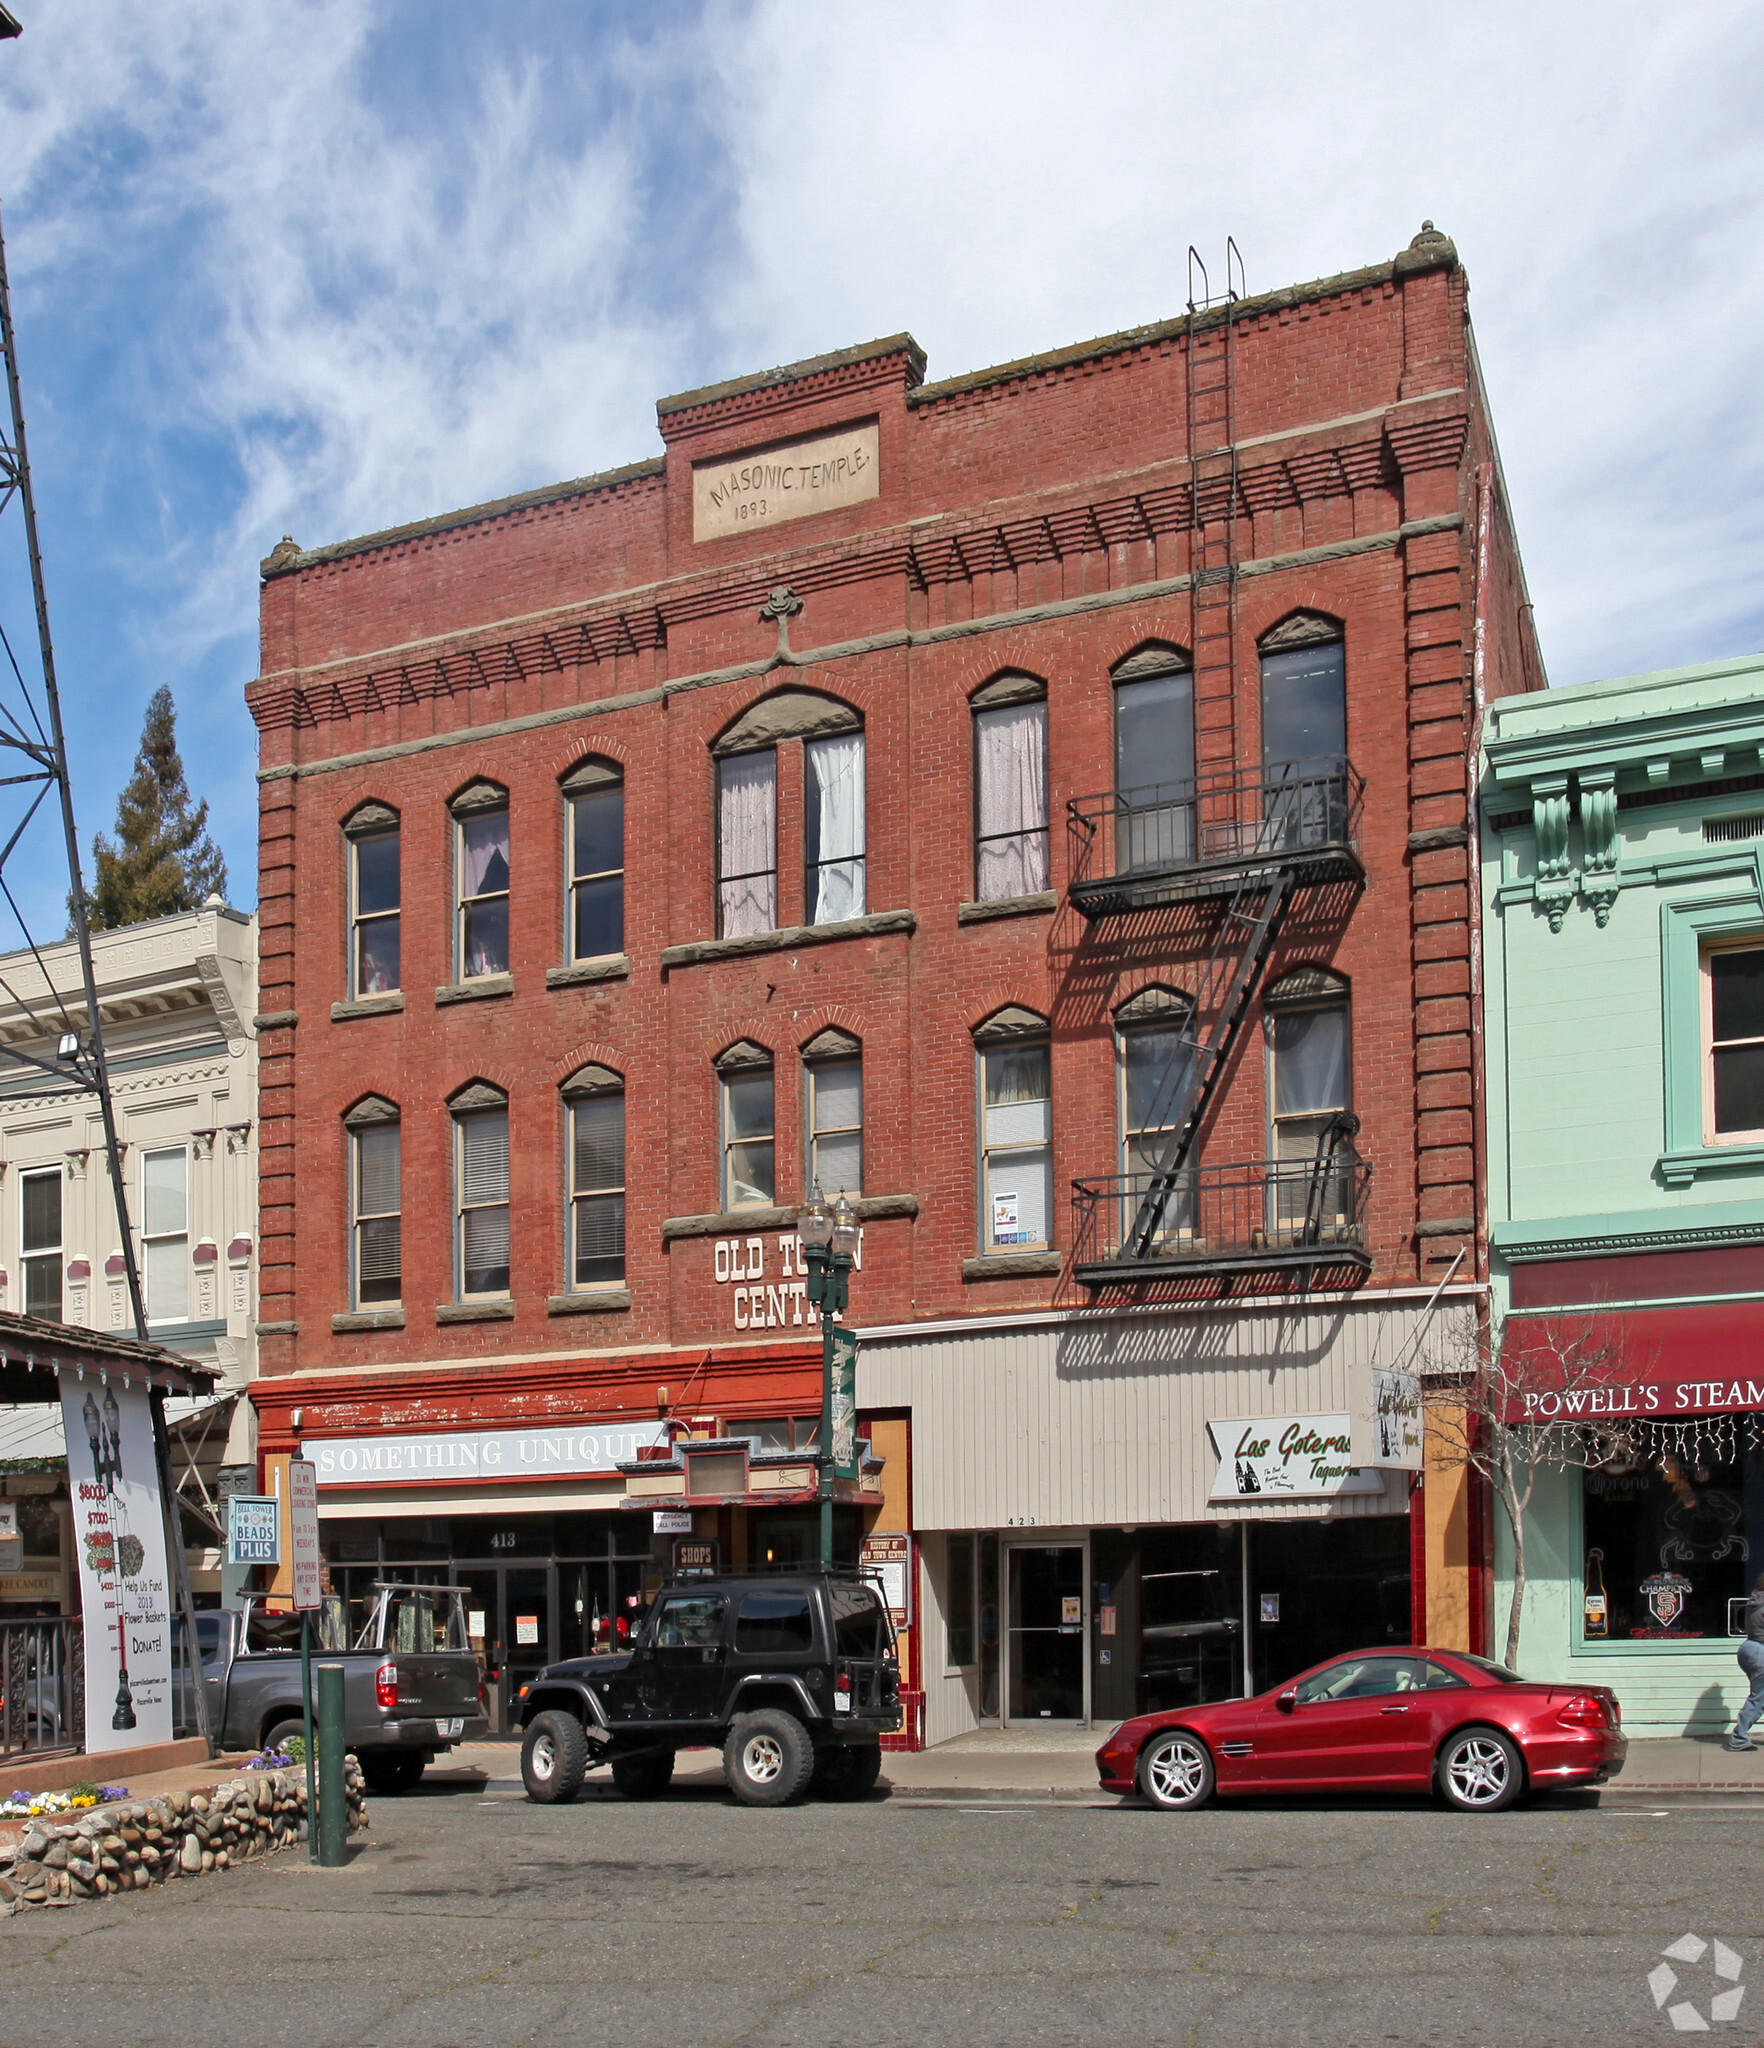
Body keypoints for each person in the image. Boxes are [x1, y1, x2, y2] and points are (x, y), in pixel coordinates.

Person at [1727, 1573, 1764, 1752]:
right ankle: (1739, 1738)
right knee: (1758, 1697)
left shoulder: (1755, 1600)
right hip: (1760, 1652)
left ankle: (1739, 1737)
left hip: (1748, 1648)